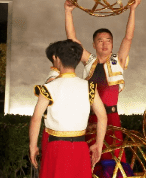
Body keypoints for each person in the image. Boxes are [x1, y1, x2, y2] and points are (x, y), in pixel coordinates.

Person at [65, 0, 141, 160]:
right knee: (89, 159)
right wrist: (68, 12)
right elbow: (72, 41)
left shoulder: (118, 61)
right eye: (100, 41)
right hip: (90, 118)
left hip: (112, 119)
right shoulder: (89, 61)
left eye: (108, 41)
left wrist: (132, 10)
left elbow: (128, 38)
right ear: (94, 45)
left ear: (112, 44)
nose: (104, 44)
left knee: (113, 161)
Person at [29, 40, 108, 177]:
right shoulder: (89, 87)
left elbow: (36, 119)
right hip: (80, 147)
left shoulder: (49, 88)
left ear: (57, 59)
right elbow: (102, 117)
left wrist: (33, 145)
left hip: (55, 148)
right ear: (77, 60)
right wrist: (98, 145)